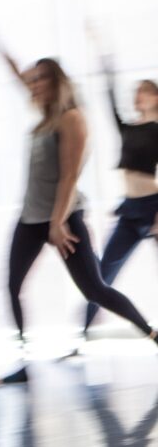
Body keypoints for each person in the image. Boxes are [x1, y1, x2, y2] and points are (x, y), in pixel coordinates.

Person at [0, 24, 157, 384]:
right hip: (30, 217)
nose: (33, 85)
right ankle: (24, 366)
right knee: (12, 285)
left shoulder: (72, 119)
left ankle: (152, 334)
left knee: (95, 289)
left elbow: (69, 176)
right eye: (31, 81)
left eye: (41, 79)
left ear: (56, 81)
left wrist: (58, 222)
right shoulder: (43, 117)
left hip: (64, 218)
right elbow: (18, 75)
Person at [81, 50, 158, 335]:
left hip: (154, 207)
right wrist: (107, 68)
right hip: (130, 209)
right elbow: (110, 102)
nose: (138, 96)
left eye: (145, 92)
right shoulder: (127, 129)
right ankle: (83, 332)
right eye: (136, 92)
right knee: (101, 275)